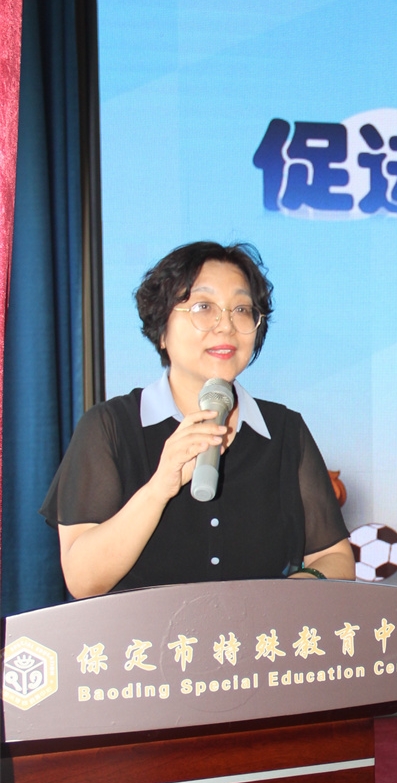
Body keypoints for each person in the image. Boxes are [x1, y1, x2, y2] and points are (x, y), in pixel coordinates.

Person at [41, 241, 354, 597]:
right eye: (204, 307)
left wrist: (283, 597)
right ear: (161, 329)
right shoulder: (109, 427)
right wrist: (159, 488)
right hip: (146, 634)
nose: (226, 325)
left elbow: (335, 557)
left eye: (241, 309)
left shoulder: (285, 430)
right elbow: (83, 581)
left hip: (259, 632)